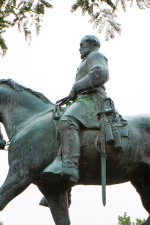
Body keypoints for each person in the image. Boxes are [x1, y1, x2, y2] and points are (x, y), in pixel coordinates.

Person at [42, 35, 110, 183]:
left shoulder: (95, 55)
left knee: (66, 120)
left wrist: (76, 87)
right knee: (57, 120)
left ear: (92, 44)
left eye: (82, 44)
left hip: (93, 99)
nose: (79, 48)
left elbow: (101, 73)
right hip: (83, 99)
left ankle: (70, 165)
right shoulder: (85, 61)